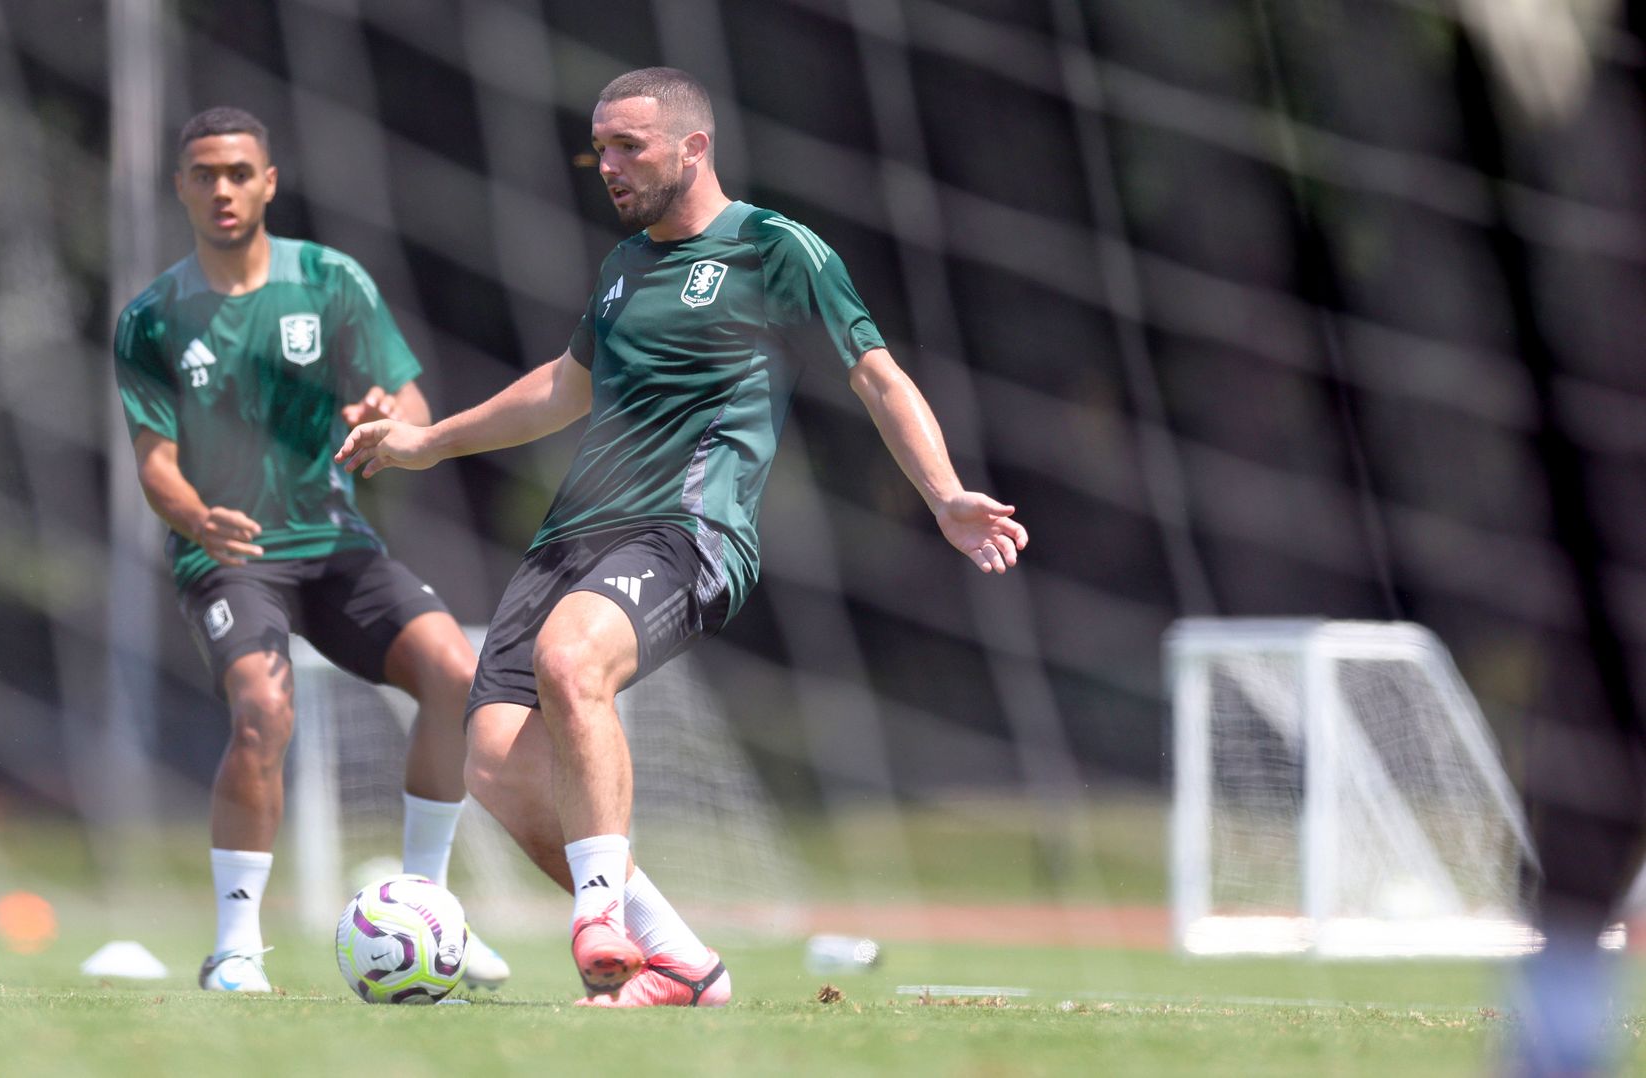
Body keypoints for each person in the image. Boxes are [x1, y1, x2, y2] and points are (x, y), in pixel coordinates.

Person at [336, 68, 1027, 1007]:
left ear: (694, 146)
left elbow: (876, 375)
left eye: (630, 146)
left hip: (689, 531)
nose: (609, 166)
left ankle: (596, 921)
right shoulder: (624, 266)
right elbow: (563, 387)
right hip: (570, 541)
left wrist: (945, 496)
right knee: (494, 762)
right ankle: (685, 968)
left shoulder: (775, 247)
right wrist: (426, 441)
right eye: (601, 149)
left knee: (572, 662)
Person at [113, 106, 508, 993]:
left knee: (455, 673)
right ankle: (236, 949)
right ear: (180, 185)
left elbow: (410, 409)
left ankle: (428, 908)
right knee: (262, 710)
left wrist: (384, 420)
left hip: (334, 545)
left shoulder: (331, 283)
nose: (223, 188)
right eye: (205, 173)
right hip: (228, 555)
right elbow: (154, 466)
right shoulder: (151, 319)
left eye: (239, 171)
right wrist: (196, 520)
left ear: (268, 182)